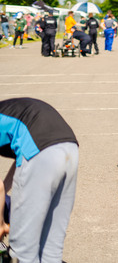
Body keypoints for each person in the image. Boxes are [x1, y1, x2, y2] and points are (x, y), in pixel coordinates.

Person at [0, 97, 79, 262]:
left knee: (22, 253)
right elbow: (24, 152)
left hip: (40, 153)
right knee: (51, 249)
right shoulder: (10, 109)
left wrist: (1, 224)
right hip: (69, 149)